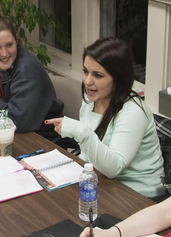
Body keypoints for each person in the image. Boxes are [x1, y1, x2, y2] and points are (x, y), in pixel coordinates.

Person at [45, 37, 163, 198]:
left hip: (138, 195)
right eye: (85, 71)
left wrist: (80, 131)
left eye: (98, 75)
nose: (87, 81)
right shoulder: (91, 99)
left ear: (119, 78)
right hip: (104, 182)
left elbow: (114, 168)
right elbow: (89, 155)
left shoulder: (133, 111)